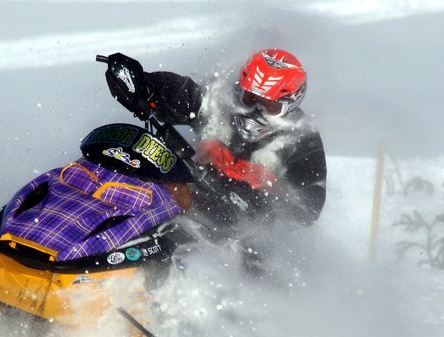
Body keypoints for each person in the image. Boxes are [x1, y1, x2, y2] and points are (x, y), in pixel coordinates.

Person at [140, 48, 327, 228]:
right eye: (250, 98)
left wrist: (259, 203)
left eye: (268, 106)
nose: (255, 111)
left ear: (289, 106)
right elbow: (183, 94)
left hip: (235, 236)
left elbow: (308, 209)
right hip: (183, 198)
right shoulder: (222, 102)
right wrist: (145, 86)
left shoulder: (301, 140)